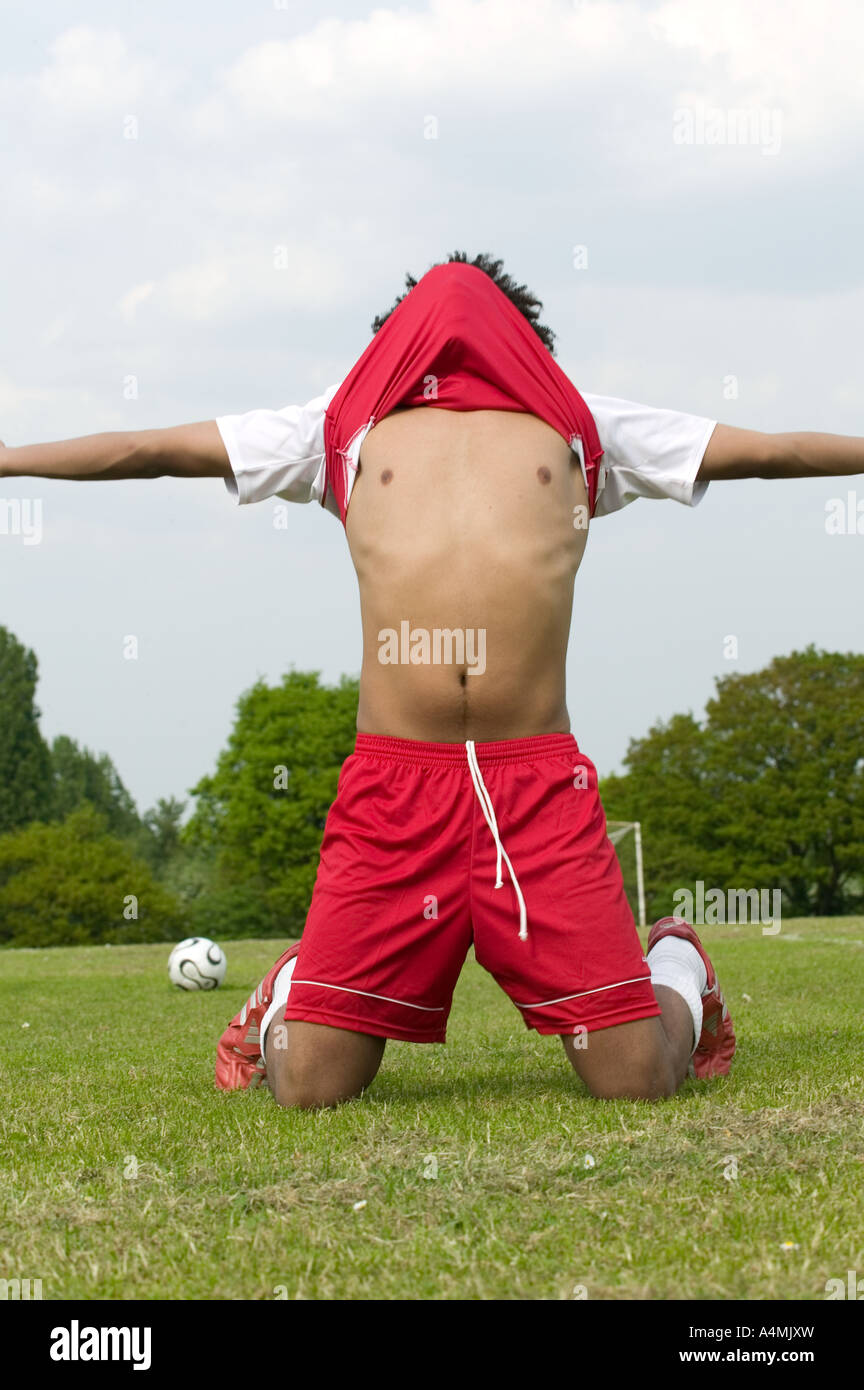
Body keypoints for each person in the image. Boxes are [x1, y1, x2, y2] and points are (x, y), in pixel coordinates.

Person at [4, 251, 861, 1109]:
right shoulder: (341, 428)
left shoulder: (581, 426)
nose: (455, 320)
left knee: (635, 1079)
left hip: (536, 790)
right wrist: (10, 460)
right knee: (310, 1088)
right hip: (393, 789)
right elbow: (150, 446)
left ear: (531, 347)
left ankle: (676, 962)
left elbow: (771, 449)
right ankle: (295, 986)